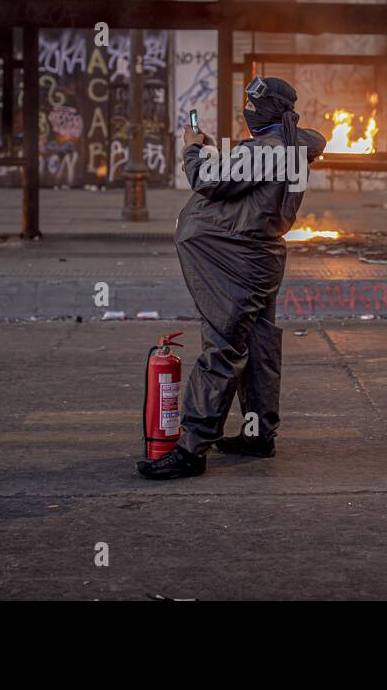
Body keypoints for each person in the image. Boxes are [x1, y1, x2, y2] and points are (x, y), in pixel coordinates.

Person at [137, 76, 326, 480]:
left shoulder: (268, 150)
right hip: (259, 257)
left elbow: (208, 181)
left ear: (270, 111)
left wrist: (191, 148)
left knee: (221, 348)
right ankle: (258, 433)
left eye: (254, 107)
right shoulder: (289, 144)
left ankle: (191, 449)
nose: (248, 112)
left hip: (238, 262)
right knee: (257, 344)